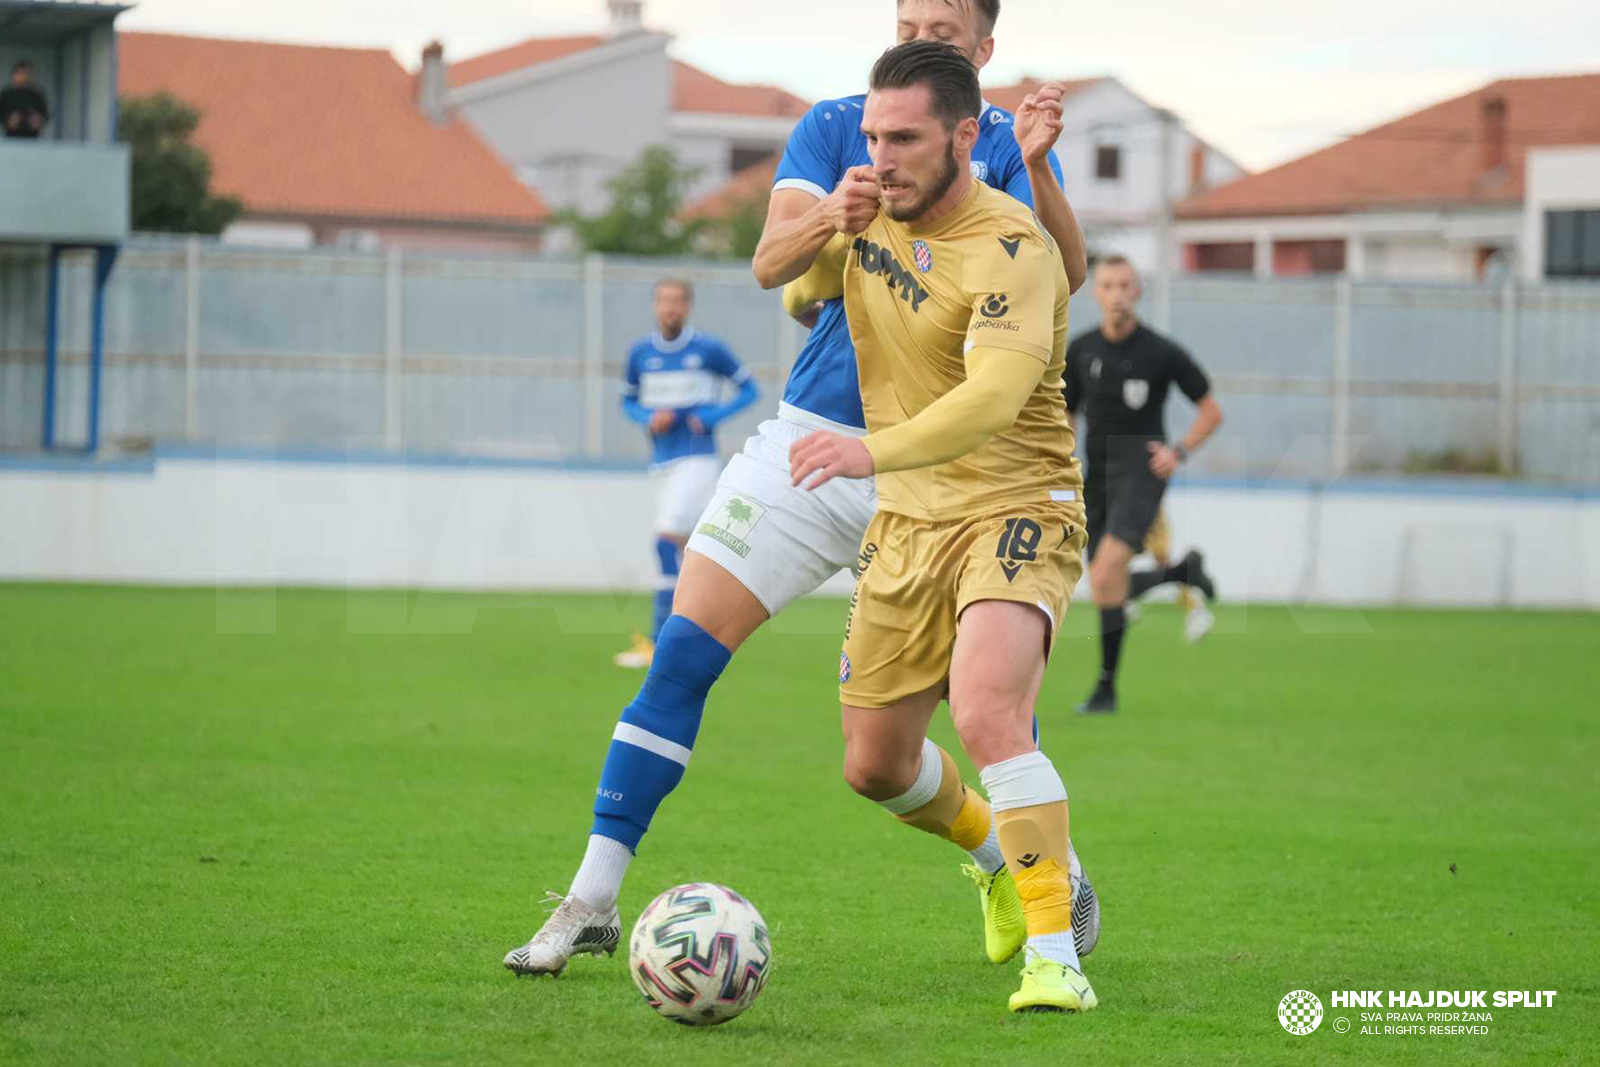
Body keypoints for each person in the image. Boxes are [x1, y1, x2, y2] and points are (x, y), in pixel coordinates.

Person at [502, 0, 1097, 979]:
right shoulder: (841, 125)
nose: (923, 30)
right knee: (683, 651)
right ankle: (591, 898)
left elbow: (1060, 275)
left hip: (957, 471)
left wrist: (1034, 163)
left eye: (944, 22)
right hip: (817, 440)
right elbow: (778, 269)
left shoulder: (1003, 147)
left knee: (982, 713)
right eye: (910, 15)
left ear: (982, 50)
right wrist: (833, 209)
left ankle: (1043, 899)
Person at [787, 40, 1095, 1013]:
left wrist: (867, 452)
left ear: (964, 135)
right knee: (872, 763)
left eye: (905, 137)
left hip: (1016, 501)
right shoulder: (869, 209)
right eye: (874, 135)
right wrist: (823, 230)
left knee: (988, 710)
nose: (883, 154)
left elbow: (996, 397)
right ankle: (995, 858)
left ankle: (1057, 954)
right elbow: (797, 295)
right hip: (911, 520)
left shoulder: (1015, 245)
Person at [1063, 257, 1223, 714]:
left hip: (1142, 471)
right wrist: (1060, 460)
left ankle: (1105, 688)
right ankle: (1108, 688)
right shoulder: (1081, 350)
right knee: (1103, 585)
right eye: (1108, 285)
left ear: (1138, 292)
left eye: (1125, 286)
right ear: (1096, 292)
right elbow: (1066, 414)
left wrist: (1179, 452)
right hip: (1096, 474)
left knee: (1108, 568)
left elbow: (1211, 412)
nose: (1116, 294)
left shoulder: (1161, 352)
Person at [613, 279, 760, 669]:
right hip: (661, 462)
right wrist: (646, 418)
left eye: (677, 301)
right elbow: (627, 402)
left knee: (665, 543)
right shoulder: (641, 353)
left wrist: (710, 416)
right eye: (663, 301)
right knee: (694, 551)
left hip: (698, 458)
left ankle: (659, 643)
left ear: (688, 306)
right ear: (655, 305)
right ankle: (709, 632)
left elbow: (749, 390)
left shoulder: (708, 350)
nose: (670, 308)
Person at [1123, 506, 1216, 643]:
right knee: (1115, 555)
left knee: (1161, 562)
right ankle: (1122, 601)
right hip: (1121, 502)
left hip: (1139, 502)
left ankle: (1197, 611)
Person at [1, 60, 49, 139]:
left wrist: (38, 120)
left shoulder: (37, 93)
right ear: (13, 75)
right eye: (19, 73)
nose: (23, 76)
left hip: (32, 138)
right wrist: (8, 120)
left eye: (25, 73)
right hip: (10, 137)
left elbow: (45, 115)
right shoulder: (6, 94)